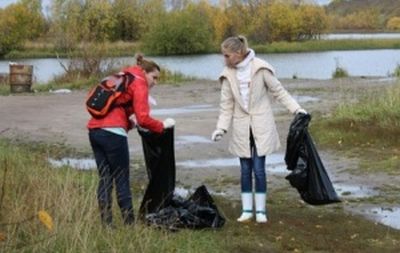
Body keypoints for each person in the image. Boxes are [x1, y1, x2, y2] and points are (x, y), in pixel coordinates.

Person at [211, 35, 307, 223]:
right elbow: (226, 105)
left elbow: (279, 92)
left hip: (261, 125)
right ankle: (247, 210)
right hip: (241, 127)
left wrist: (297, 109)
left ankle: (261, 211)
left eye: (227, 55)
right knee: (245, 169)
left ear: (238, 53)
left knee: (259, 168)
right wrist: (221, 128)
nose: (225, 59)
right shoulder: (227, 74)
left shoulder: (260, 68)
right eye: (223, 56)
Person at [87, 54, 175, 227]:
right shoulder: (139, 82)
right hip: (113, 134)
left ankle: (107, 224)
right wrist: (162, 125)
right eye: (154, 78)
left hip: (94, 131)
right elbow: (143, 118)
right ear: (144, 72)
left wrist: (129, 123)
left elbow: (115, 107)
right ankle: (129, 224)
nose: (155, 83)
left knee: (105, 177)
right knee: (121, 178)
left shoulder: (123, 76)